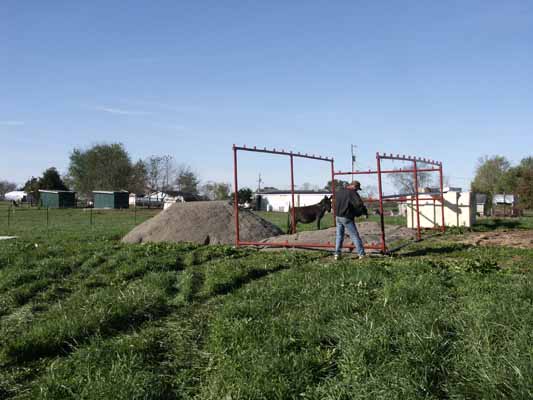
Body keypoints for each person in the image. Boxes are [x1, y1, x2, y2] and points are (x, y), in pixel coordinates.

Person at [334, 180, 366, 260]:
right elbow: (359, 204)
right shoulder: (352, 192)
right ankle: (361, 254)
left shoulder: (339, 191)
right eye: (357, 189)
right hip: (346, 217)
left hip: (337, 216)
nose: (357, 191)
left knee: (339, 236)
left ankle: (337, 254)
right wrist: (363, 212)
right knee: (354, 236)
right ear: (355, 186)